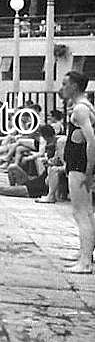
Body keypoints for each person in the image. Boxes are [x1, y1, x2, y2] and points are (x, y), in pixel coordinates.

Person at [59, 71, 95, 273]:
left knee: (81, 212)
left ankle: (85, 262)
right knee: (87, 212)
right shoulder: (86, 106)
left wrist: (89, 171)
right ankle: (85, 253)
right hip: (79, 164)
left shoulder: (81, 109)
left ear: (74, 86)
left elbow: (91, 141)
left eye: (65, 84)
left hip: (80, 166)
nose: (62, 87)